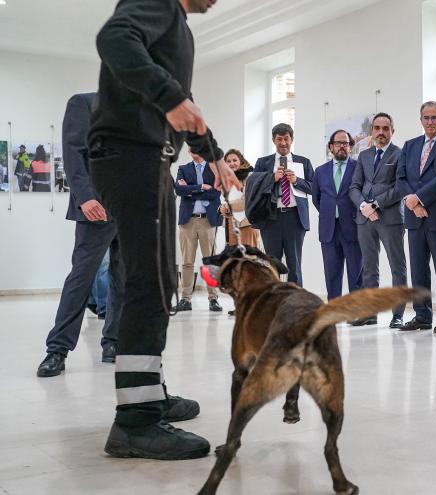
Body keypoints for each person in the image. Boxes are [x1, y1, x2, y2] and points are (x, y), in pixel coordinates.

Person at [88, 0, 239, 460]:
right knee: (149, 283)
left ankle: (147, 393)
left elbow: (185, 107)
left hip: (146, 159)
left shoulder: (178, 28)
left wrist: (212, 154)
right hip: (130, 155)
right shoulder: (157, 3)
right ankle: (135, 422)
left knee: (162, 279)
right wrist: (169, 96)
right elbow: (112, 39)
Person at [36, 92, 122, 378]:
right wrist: (84, 196)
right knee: (82, 276)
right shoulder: (83, 103)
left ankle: (113, 342)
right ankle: (57, 349)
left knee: (123, 279)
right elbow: (73, 153)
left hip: (133, 209)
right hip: (96, 205)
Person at [396, 102, 436, 334]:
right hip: (415, 219)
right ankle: (422, 315)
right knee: (418, 269)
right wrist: (413, 203)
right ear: (420, 120)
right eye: (426, 117)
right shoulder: (410, 145)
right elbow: (401, 177)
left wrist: (418, 199)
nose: (430, 122)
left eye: (435, 117)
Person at [349, 113, 408, 328]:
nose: (381, 132)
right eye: (377, 128)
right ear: (372, 131)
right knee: (369, 268)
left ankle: (398, 315)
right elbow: (354, 186)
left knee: (397, 267)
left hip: (390, 218)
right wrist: (364, 206)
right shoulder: (364, 156)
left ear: (393, 130)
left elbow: (400, 187)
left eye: (385, 128)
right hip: (364, 219)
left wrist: (376, 204)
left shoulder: (400, 154)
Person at [253, 123, 314, 286]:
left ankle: (296, 303)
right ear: (274, 140)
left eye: (286, 138)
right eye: (279, 139)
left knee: (294, 266)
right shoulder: (262, 163)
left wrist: (297, 181)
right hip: (270, 218)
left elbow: (315, 188)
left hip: (295, 218)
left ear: (292, 140)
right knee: (271, 265)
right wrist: (271, 179)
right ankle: (273, 303)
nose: (283, 143)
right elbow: (254, 187)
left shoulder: (303, 162)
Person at [312, 130, 363, 300]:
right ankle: (334, 308)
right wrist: (330, 213)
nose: (342, 146)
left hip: (353, 227)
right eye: (338, 143)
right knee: (332, 273)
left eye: (346, 143)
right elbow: (317, 199)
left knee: (356, 273)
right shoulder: (320, 171)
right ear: (331, 147)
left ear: (350, 147)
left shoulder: (358, 168)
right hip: (328, 229)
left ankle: (356, 311)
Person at [173, 151, 223, 313]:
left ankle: (213, 298)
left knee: (210, 262)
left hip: (208, 221)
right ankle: (185, 299)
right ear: (189, 151)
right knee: (187, 261)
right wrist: (201, 187)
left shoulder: (213, 169)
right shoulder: (183, 168)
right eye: (191, 148)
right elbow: (179, 191)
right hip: (187, 221)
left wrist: (190, 190)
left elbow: (216, 192)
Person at [219, 149, 260, 248]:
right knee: (235, 260)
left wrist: (227, 206)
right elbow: (224, 200)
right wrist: (221, 208)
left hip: (247, 224)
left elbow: (247, 201)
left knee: (249, 259)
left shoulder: (250, 177)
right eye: (228, 161)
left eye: (234, 160)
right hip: (231, 223)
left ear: (241, 161)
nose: (232, 163)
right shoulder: (226, 180)